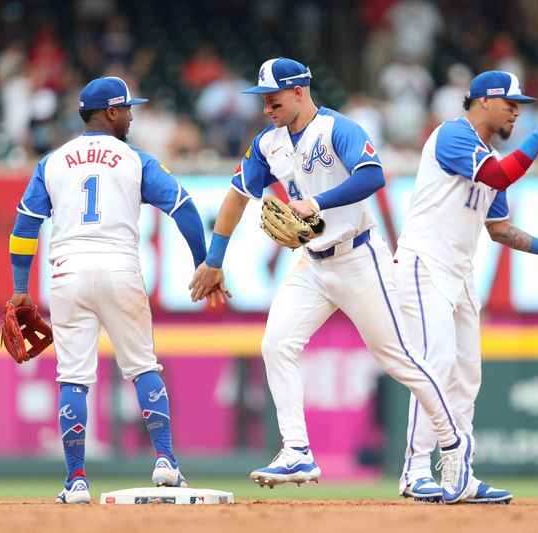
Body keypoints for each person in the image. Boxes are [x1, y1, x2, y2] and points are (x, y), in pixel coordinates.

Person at [188, 57, 476, 504]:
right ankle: (297, 450)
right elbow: (236, 196)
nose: (267, 107)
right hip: (312, 262)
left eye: (274, 98)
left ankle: (453, 442)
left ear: (299, 91)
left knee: (399, 359)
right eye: (263, 99)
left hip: (360, 257)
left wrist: (315, 203)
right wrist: (214, 258)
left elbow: (373, 176)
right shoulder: (268, 143)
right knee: (276, 344)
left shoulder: (337, 128)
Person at [7, 76, 209, 504]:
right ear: (111, 112)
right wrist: (203, 263)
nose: (133, 115)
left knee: (74, 379)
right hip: (119, 267)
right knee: (142, 366)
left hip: (66, 272)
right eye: (128, 108)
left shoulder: (54, 161)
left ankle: (76, 481)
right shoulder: (134, 159)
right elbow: (184, 207)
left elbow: (24, 227)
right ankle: (166, 462)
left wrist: (20, 288)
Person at [394, 70, 538, 503]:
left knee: (466, 376)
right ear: (481, 102)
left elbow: (501, 230)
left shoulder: (487, 152)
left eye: (521, 105)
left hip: (459, 271)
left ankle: (459, 473)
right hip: (423, 262)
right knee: (434, 366)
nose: (518, 110)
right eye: (510, 102)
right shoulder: (453, 136)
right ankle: (416, 470)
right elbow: (498, 176)